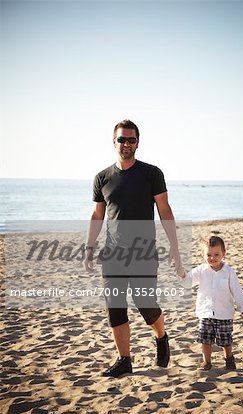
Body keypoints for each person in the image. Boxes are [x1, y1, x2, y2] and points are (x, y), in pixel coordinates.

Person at [84, 119, 183, 378]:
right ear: (113, 142)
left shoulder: (152, 174)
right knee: (114, 306)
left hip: (144, 252)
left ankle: (161, 336)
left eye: (131, 139)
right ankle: (124, 359)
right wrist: (89, 248)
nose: (126, 144)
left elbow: (164, 210)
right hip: (113, 254)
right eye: (121, 139)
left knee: (145, 303)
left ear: (137, 142)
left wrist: (174, 247)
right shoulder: (102, 177)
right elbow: (97, 215)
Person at [180, 236, 243, 370]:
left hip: (224, 312)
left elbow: (236, 290)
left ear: (224, 254)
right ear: (203, 255)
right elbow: (188, 283)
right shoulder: (200, 270)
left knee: (225, 339)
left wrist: (242, 306)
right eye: (209, 255)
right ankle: (207, 362)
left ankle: (229, 358)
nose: (212, 258)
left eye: (216, 254)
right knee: (205, 338)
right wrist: (182, 275)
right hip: (205, 312)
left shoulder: (228, 272)